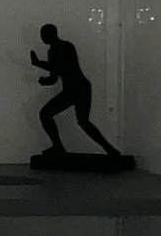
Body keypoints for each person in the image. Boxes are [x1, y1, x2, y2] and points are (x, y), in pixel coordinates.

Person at [32, 24, 128, 164]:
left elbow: (62, 69)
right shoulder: (54, 50)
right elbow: (54, 77)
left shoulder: (65, 47)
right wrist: (44, 80)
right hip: (75, 89)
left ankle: (107, 149)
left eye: (43, 34)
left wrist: (40, 64)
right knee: (74, 120)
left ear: (51, 34)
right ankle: (107, 149)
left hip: (78, 89)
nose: (42, 38)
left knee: (75, 120)